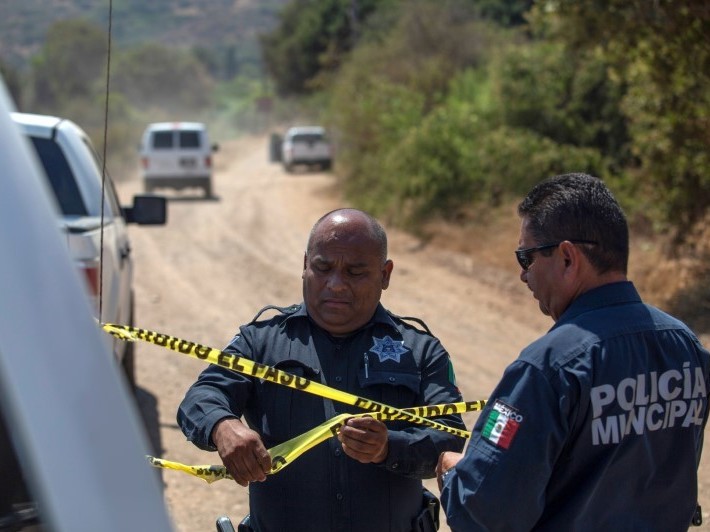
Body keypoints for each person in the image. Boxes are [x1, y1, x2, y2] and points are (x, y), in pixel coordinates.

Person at [436, 173, 710, 531]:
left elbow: (485, 511)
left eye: (526, 258)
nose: (523, 276)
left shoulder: (545, 367)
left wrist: (450, 472)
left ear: (567, 257)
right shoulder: (685, 345)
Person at [178, 208, 466, 532]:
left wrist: (389, 446)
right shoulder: (260, 343)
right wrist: (222, 426)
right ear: (304, 265)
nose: (336, 285)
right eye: (323, 267)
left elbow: (450, 438)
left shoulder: (420, 350)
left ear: (385, 275)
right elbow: (200, 398)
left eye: (355, 272)